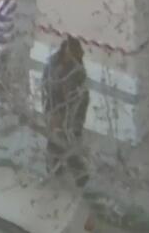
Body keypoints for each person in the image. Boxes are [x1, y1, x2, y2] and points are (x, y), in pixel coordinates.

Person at [43, 36, 90, 188]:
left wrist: (75, 121)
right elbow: (46, 88)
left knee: (68, 144)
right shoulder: (52, 65)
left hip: (70, 114)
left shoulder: (78, 71)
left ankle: (78, 173)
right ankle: (56, 169)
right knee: (55, 142)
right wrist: (51, 113)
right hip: (55, 110)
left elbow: (81, 98)